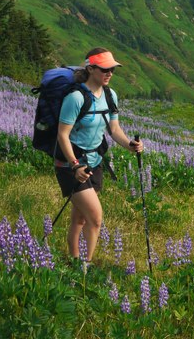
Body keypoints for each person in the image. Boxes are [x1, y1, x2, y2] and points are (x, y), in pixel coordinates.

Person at [55, 47, 143, 266]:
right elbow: (62, 135)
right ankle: (86, 265)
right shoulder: (75, 98)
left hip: (95, 162)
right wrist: (75, 165)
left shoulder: (110, 95)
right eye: (104, 69)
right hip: (70, 164)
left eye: (112, 69)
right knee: (95, 218)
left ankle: (73, 263)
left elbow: (114, 129)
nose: (109, 73)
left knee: (80, 218)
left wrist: (129, 145)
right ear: (90, 69)